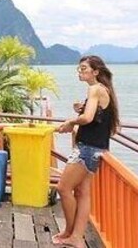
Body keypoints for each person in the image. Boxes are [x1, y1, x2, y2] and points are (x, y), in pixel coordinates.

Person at [52, 56, 119, 248]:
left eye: (83, 69)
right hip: (97, 148)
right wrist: (80, 109)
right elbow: (95, 115)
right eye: (79, 69)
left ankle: (70, 232)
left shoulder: (95, 88)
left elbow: (88, 118)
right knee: (82, 192)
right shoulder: (103, 90)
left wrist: (71, 122)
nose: (80, 72)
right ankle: (76, 237)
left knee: (63, 188)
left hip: (87, 149)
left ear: (95, 72)